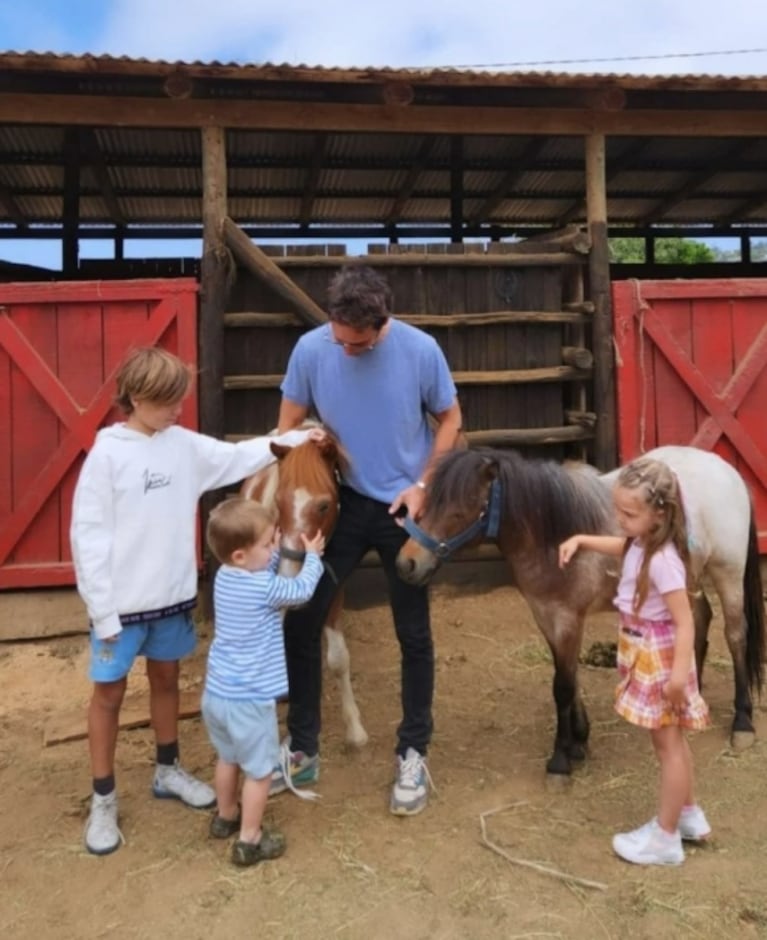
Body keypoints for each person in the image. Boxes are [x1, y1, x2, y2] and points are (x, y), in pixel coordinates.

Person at [70, 346, 324, 856]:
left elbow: (236, 456)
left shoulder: (181, 445)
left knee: (167, 681)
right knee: (109, 696)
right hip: (119, 605)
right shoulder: (108, 454)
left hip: (170, 599)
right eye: (168, 402)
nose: (177, 411)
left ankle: (168, 770)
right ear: (138, 398)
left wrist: (293, 438)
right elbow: (88, 535)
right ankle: (103, 798)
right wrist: (101, 609)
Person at [272, 265, 463, 816]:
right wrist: (307, 440)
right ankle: (303, 744)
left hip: (405, 506)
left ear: (381, 327)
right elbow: (286, 426)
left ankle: (412, 752)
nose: (346, 349)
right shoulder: (311, 349)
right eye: (339, 338)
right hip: (344, 503)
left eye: (358, 343)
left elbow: (450, 419)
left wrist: (424, 484)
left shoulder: (421, 350)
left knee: (413, 632)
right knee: (303, 618)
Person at [558, 456, 710, 866]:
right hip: (645, 649)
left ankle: (665, 838)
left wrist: (678, 676)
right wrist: (582, 540)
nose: (619, 519)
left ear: (659, 513)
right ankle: (689, 815)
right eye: (617, 510)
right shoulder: (644, 543)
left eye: (628, 513)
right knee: (671, 741)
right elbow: (621, 547)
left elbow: (686, 622)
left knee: (668, 747)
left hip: (660, 658)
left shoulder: (663, 562)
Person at [203, 497, 325, 866]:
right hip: (250, 700)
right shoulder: (263, 590)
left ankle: (226, 816)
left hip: (217, 696)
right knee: (259, 773)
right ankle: (250, 838)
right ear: (241, 555)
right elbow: (300, 591)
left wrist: (280, 550)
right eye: (268, 544)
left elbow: (262, 564)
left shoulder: (225, 576)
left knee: (227, 758)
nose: (274, 550)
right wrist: (313, 558)